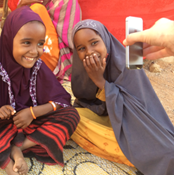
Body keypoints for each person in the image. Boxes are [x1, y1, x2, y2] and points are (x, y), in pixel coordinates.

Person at [0, 7, 80, 175]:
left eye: (40, 44)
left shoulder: (39, 68)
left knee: (72, 114)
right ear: (9, 40)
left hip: (32, 124)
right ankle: (8, 164)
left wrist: (32, 113)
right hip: (2, 126)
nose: (34, 51)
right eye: (27, 42)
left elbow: (59, 101)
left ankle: (16, 147)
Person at [70, 19, 174, 175]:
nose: (90, 51)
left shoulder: (127, 64)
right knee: (70, 117)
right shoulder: (83, 66)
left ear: (105, 40)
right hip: (106, 118)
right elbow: (85, 101)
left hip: (136, 125)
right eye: (81, 48)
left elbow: (137, 110)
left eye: (94, 43)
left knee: (167, 153)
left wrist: (100, 81)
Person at [17, 0, 81, 82]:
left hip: (56, 54)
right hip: (32, 45)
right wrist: (23, 3)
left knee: (37, 9)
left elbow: (70, 39)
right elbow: (15, 23)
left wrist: (42, 14)